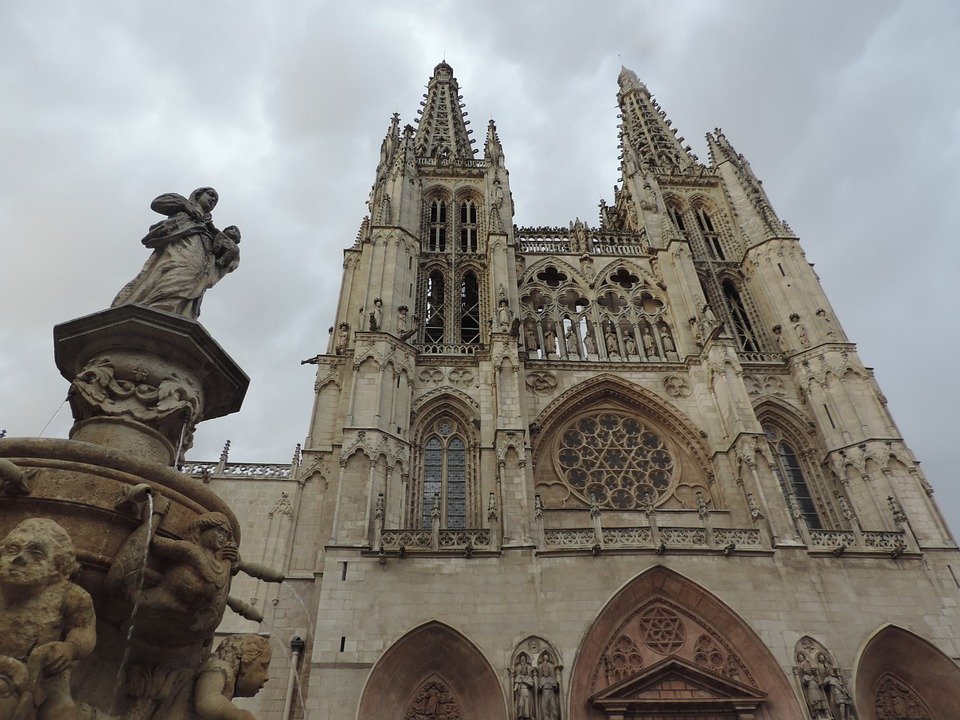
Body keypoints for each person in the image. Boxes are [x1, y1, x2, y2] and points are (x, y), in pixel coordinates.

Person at [0, 519, 96, 720]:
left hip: (45, 678)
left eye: (36, 554)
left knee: (63, 716)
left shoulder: (70, 595)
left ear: (57, 566)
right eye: (12, 549)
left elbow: (84, 629)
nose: (19, 558)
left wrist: (70, 648)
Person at [112, 188, 239, 319]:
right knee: (177, 277)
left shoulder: (209, 227)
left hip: (201, 261)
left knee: (192, 284)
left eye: (215, 200)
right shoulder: (184, 207)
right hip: (181, 252)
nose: (213, 200)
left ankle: (169, 313)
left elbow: (225, 251)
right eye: (211, 195)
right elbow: (157, 203)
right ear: (198, 194)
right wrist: (186, 206)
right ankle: (154, 310)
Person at [193, 635, 272, 720]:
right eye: (263, 667)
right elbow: (206, 700)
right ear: (245, 664)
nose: (267, 677)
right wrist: (238, 715)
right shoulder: (220, 668)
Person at [538, 652, 561, 720]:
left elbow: (556, 688)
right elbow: (539, 689)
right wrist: (540, 687)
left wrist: (557, 685)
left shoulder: (551, 678)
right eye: (544, 670)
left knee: (554, 707)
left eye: (547, 670)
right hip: (545, 693)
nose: (546, 671)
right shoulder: (542, 679)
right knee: (545, 708)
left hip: (551, 693)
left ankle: (553, 718)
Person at [512, 654, 534, 720]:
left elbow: (531, 685)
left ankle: (527, 716)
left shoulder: (529, 677)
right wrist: (514, 689)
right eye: (523, 670)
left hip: (527, 692)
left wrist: (525, 682)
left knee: (527, 705)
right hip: (520, 692)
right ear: (521, 670)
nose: (524, 671)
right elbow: (516, 684)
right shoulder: (519, 677)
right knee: (520, 704)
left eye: (525, 670)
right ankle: (520, 715)